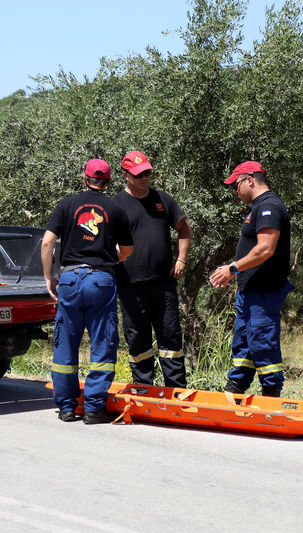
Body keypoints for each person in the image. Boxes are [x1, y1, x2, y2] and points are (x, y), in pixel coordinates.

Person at [41, 159, 133, 424]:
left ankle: (67, 407)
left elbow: (48, 242)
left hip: (69, 279)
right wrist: (112, 257)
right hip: (101, 280)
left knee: (66, 341)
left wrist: (50, 277)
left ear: (85, 178)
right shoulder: (116, 208)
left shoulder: (67, 204)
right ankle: (93, 409)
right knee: (102, 343)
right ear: (108, 181)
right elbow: (127, 251)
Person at [209, 161, 293, 397]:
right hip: (250, 291)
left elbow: (265, 249)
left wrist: (232, 269)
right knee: (244, 343)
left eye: (235, 185)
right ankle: (234, 390)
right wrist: (240, 281)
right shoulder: (257, 207)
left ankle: (271, 394)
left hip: (264, 292)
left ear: (250, 180)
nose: (235, 191)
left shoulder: (270, 207)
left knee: (262, 342)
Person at [113, 151, 192, 388]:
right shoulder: (116, 205)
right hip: (130, 285)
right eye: (138, 175)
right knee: (137, 339)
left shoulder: (163, 200)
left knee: (170, 336)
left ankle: (176, 390)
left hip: (163, 283)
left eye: (147, 173)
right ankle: (143, 388)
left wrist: (181, 260)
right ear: (126, 175)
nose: (144, 178)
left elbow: (184, 229)